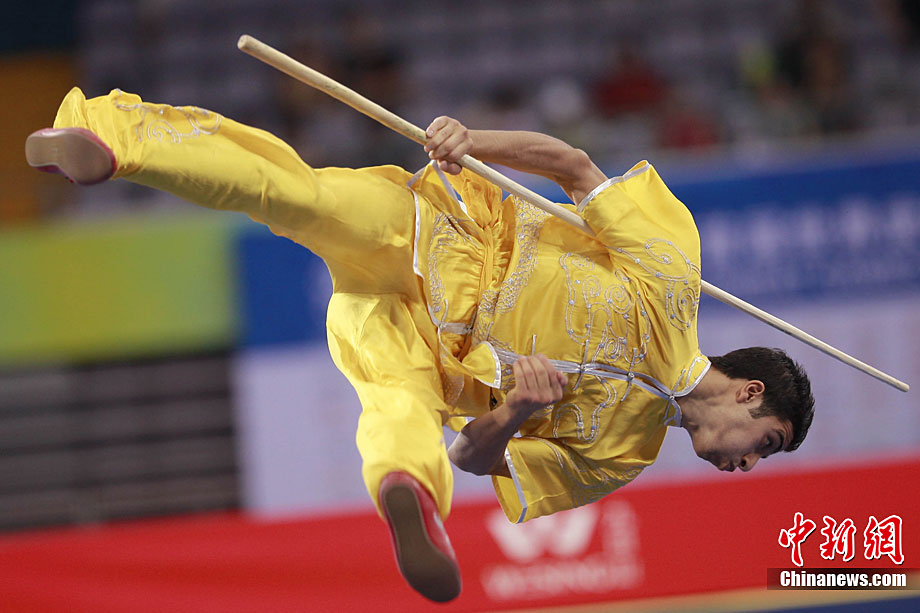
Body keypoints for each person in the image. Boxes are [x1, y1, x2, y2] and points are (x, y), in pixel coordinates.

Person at [25, 87, 814, 603]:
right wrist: (473, 141)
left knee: (401, 403)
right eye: (766, 443)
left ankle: (408, 492)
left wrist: (517, 410)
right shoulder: (674, 273)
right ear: (750, 392)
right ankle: (110, 139)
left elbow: (474, 455)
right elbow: (574, 168)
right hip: (439, 236)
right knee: (297, 195)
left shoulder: (620, 457)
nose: (748, 465)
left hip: (423, 350)